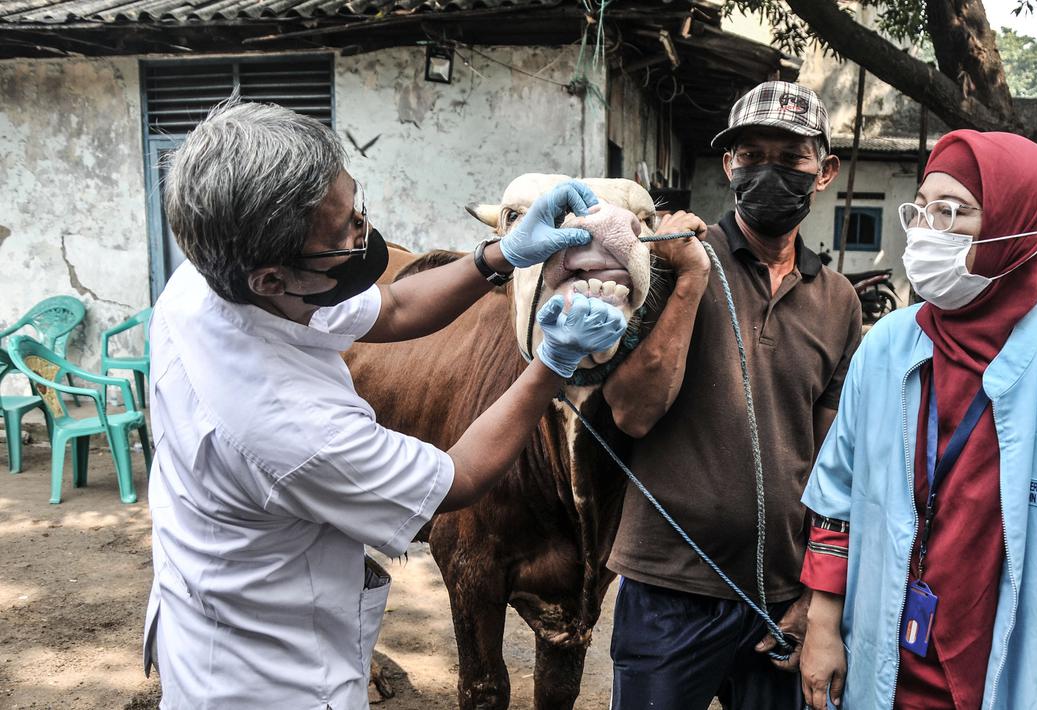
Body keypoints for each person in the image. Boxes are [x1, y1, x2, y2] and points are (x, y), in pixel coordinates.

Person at [140, 100, 627, 708]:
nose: (364, 233)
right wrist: (552, 363)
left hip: (207, 597)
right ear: (272, 278)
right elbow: (458, 478)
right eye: (343, 232)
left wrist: (501, 255)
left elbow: (391, 308)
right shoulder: (294, 431)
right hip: (269, 679)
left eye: (356, 206)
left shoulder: (209, 280)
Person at [797, 130, 1037, 709]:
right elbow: (838, 497)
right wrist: (823, 627)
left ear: (1015, 230)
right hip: (884, 675)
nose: (927, 230)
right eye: (920, 209)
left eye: (952, 212)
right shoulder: (887, 350)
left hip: (1009, 685)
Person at [602, 81, 862, 709]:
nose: (768, 170)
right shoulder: (672, 259)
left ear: (823, 171)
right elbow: (632, 413)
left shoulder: (839, 303)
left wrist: (814, 598)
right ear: (728, 165)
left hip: (780, 599)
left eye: (791, 156)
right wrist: (688, 277)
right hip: (670, 587)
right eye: (751, 154)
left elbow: (832, 463)